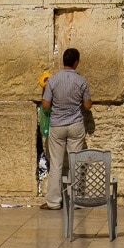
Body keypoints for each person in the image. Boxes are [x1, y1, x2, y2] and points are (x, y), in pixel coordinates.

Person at [42, 47, 92, 210]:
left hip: (57, 125)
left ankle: (54, 202)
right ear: (76, 62)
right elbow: (87, 105)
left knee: (56, 164)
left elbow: (46, 105)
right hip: (75, 124)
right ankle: (75, 199)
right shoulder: (82, 81)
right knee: (75, 162)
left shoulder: (53, 80)